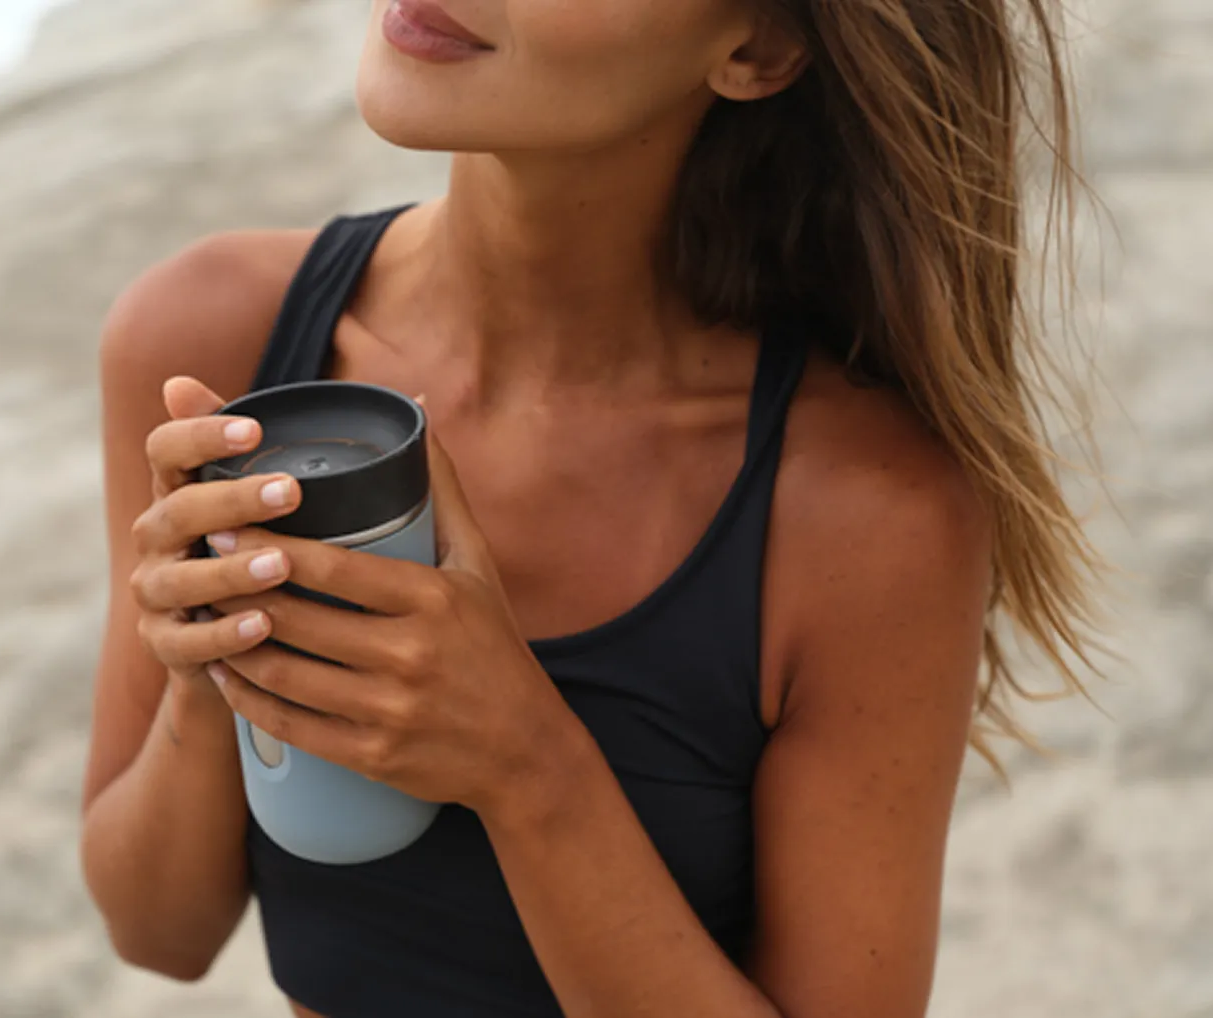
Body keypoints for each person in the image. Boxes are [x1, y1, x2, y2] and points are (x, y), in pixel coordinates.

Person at [79, 0, 1100, 1015]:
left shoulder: (864, 515)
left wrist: (525, 763)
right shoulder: (215, 342)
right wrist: (215, 666)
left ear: (758, 46)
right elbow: (156, 931)